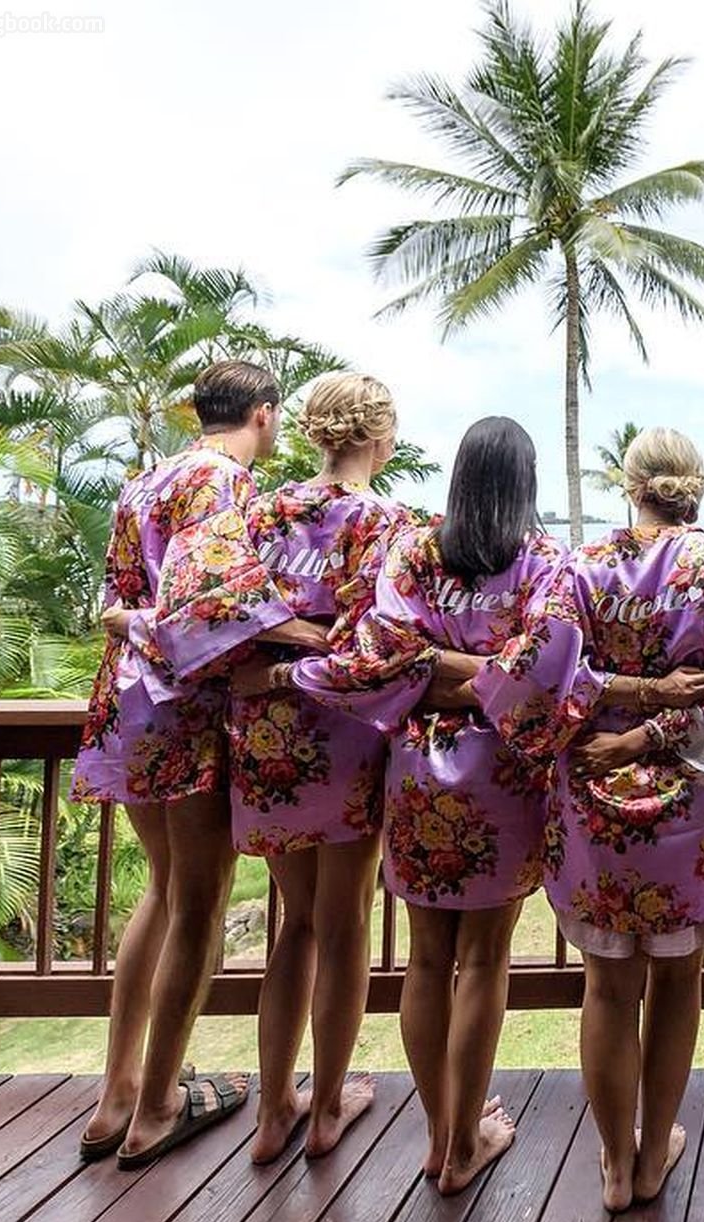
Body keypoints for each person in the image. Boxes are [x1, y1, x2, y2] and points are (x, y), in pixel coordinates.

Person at [473, 426, 704, 1211]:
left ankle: (613, 1162)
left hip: (592, 794)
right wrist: (671, 711)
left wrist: (610, 699)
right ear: (695, 486)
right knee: (676, 980)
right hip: (693, 809)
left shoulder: (582, 568)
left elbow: (527, 675)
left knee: (605, 987)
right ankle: (654, 1146)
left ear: (630, 485)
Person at [252, 416, 565, 1193]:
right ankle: (464, 1144)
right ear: (526, 481)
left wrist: (431, 667)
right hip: (503, 771)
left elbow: (387, 653)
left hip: (419, 767)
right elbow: (536, 669)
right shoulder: (542, 562)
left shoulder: (418, 553)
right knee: (484, 960)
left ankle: (438, 1135)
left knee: (426, 959)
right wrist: (488, 672)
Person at [72, 359, 330, 1168]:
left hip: (127, 700)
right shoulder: (228, 486)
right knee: (199, 903)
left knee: (161, 891)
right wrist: (306, 636)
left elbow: (116, 608)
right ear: (263, 414)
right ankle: (156, 1107)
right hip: (187, 707)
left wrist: (135, 626)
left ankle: (117, 1094)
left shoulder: (143, 483)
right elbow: (214, 607)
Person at [227, 372, 410, 1163]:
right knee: (344, 926)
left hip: (265, 734)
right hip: (345, 731)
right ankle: (328, 1106)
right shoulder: (386, 524)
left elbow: (221, 614)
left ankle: (274, 1110)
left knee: (294, 923)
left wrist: (267, 672)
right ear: (380, 436)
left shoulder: (262, 514)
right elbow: (380, 644)